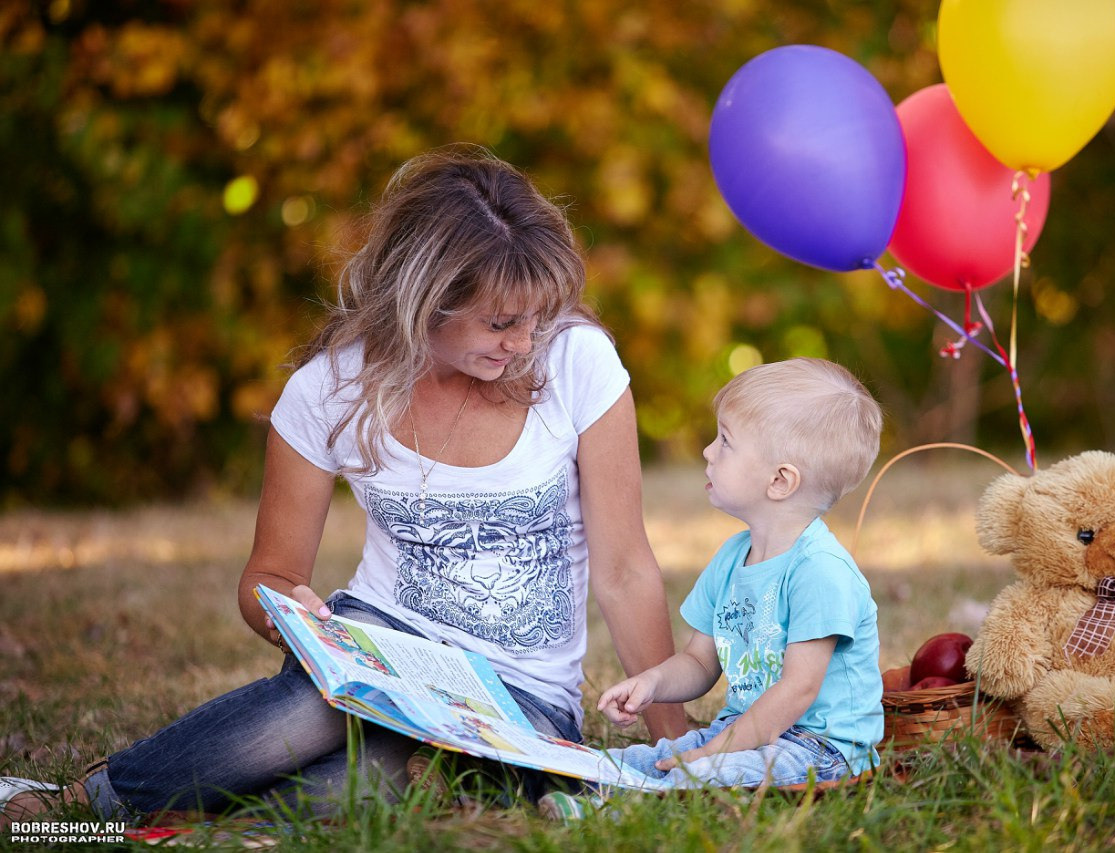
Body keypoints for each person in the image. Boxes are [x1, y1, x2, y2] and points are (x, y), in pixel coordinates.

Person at [0, 145, 687, 826]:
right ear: (424, 302)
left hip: (520, 698)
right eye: (502, 322)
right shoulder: (330, 389)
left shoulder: (576, 360)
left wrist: (678, 755)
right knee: (306, 715)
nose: (526, 339)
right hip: (379, 654)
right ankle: (72, 811)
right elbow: (266, 576)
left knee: (360, 786)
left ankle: (182, 819)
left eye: (538, 315)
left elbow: (625, 571)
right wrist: (286, 613)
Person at [539, 358, 883, 818]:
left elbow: (797, 690)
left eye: (726, 441)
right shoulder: (731, 558)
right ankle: (587, 783)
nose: (707, 451)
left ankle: (615, 812)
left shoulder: (820, 571)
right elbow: (701, 662)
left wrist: (718, 751)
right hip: (743, 728)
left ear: (780, 481)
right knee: (631, 760)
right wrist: (652, 682)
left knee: (699, 773)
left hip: (819, 749)